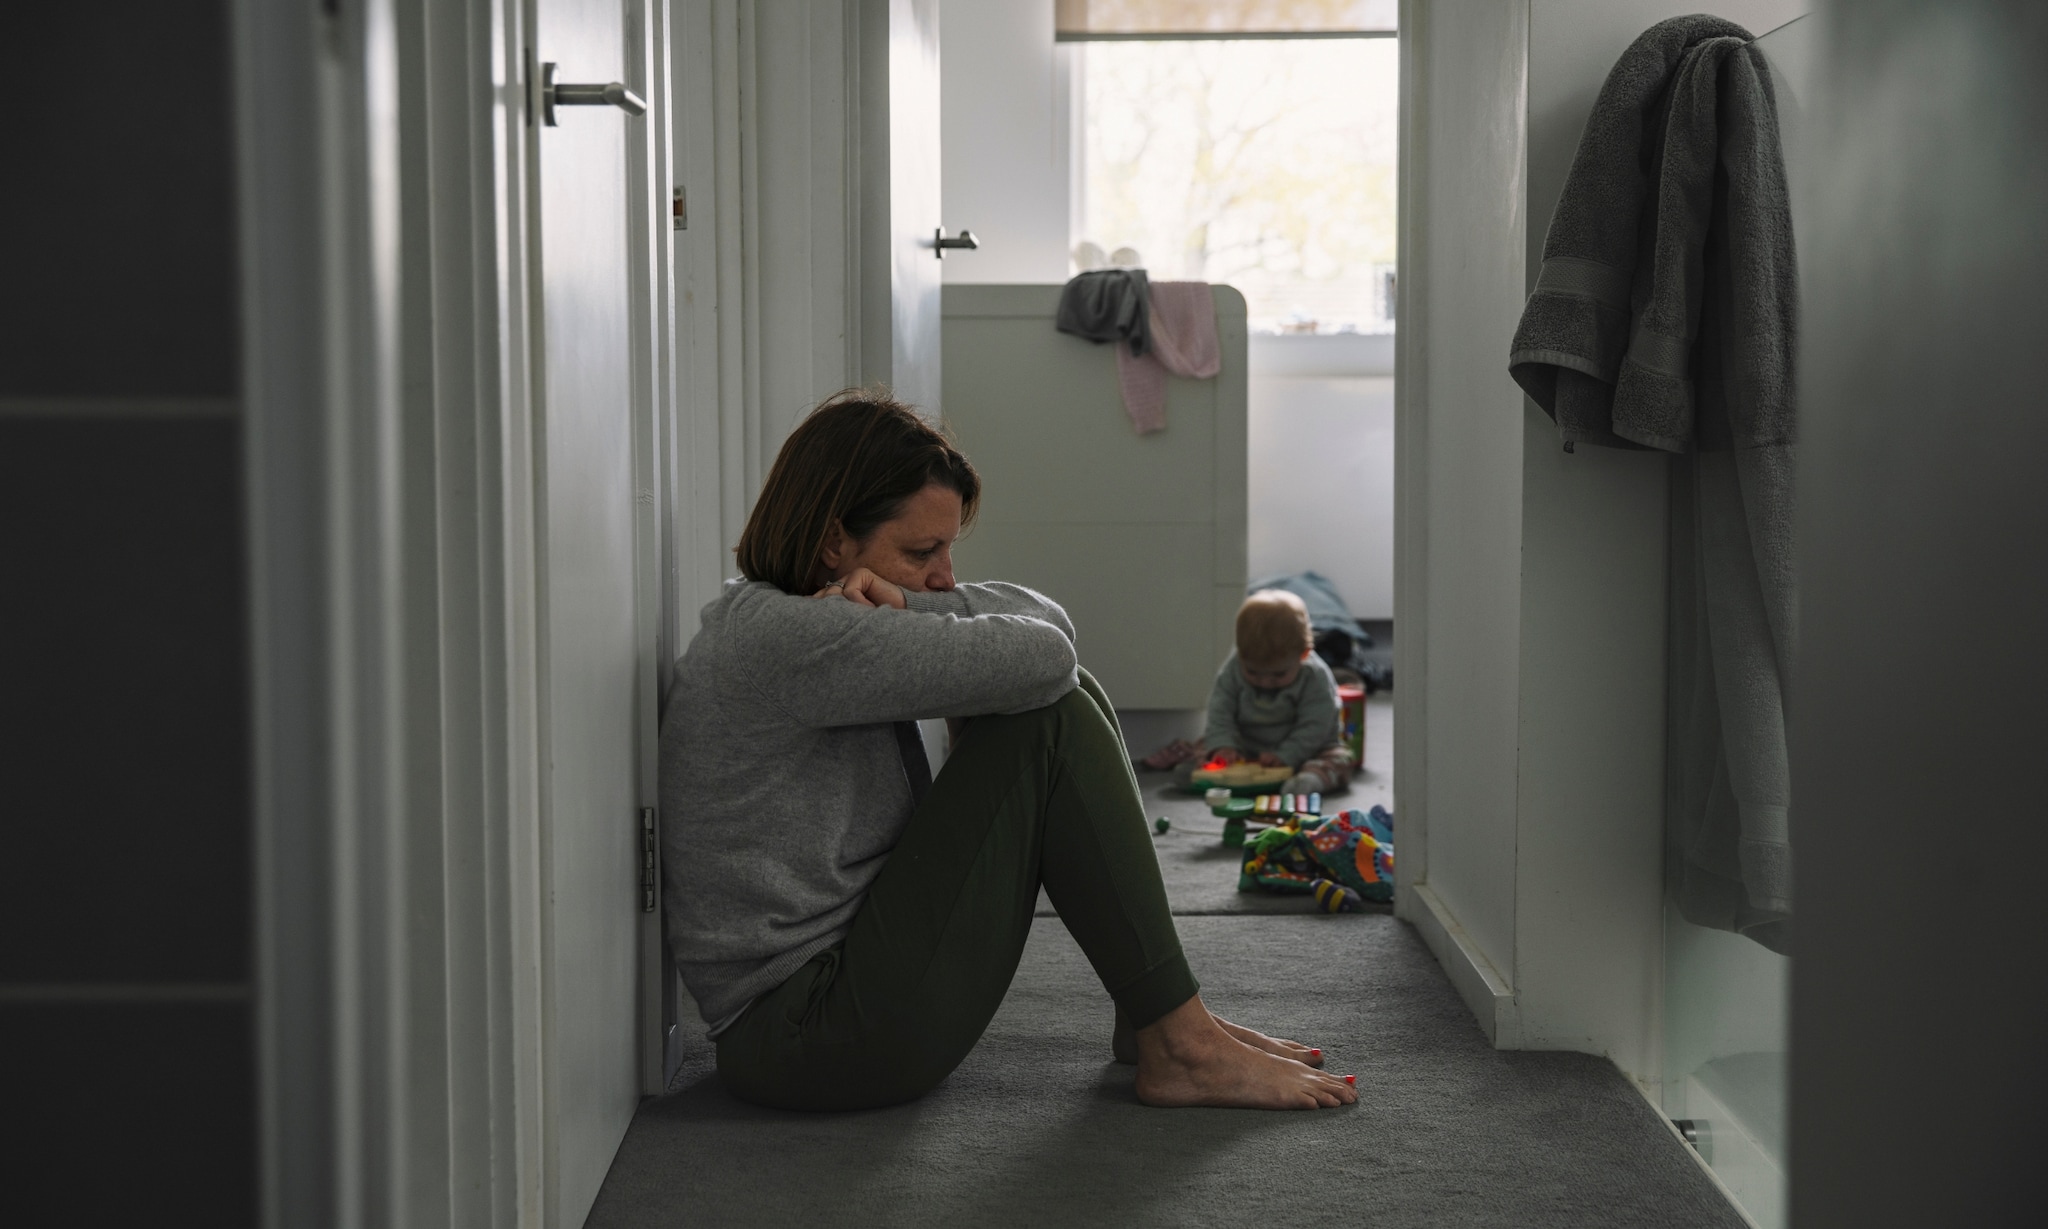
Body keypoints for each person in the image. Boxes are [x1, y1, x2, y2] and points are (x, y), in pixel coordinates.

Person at [659, 390, 1357, 1113]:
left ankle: (1159, 1017)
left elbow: (1053, 637)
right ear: (836, 544)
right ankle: (1176, 1039)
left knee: (1060, 694)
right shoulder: (794, 637)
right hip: (808, 1032)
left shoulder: (794, 618)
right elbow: (1044, 655)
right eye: (922, 551)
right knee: (1045, 719)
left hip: (829, 1003)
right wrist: (924, 614)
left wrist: (911, 600)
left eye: (949, 549)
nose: (946, 577)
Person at [1175, 591, 1357, 797]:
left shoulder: (1314, 677)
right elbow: (1220, 711)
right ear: (1240, 653)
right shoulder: (1233, 669)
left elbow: (1316, 726)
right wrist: (1224, 745)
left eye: (1278, 674)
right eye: (1252, 672)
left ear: (1303, 655)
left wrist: (1287, 755)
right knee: (1207, 744)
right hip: (1245, 746)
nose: (1265, 681)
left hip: (1306, 749)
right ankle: (1199, 772)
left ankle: (1309, 781)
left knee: (1339, 759)